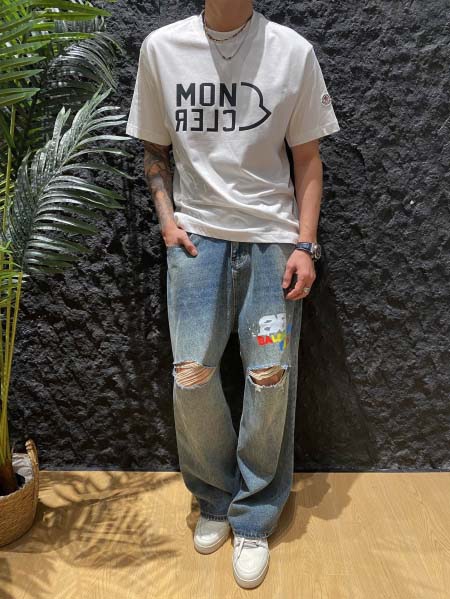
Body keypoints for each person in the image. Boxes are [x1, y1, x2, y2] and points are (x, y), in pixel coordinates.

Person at [126, 0, 340, 589]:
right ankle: (215, 498)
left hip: (273, 241)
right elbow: (154, 151)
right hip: (197, 240)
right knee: (191, 375)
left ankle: (254, 515)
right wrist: (167, 223)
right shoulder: (162, 49)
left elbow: (308, 159)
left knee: (269, 378)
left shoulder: (292, 52)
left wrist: (305, 244)